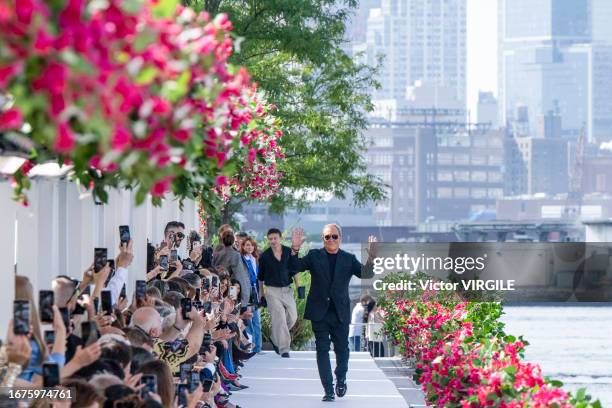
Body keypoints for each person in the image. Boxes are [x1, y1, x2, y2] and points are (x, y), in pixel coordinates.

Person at [289, 224, 377, 401]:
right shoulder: (314, 256)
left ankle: (341, 378)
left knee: (342, 349)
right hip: (319, 313)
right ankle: (328, 390)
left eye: (334, 236)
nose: (330, 240)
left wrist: (372, 256)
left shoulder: (348, 258)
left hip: (340, 313)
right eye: (327, 237)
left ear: (340, 238)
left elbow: (366, 273)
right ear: (323, 238)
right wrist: (295, 248)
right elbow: (293, 267)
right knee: (322, 350)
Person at [257, 228, 300, 358]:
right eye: (270, 239)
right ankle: (284, 349)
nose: (273, 241)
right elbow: (260, 278)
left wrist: (299, 286)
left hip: (287, 290)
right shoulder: (264, 256)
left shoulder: (288, 252)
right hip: (271, 290)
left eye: (275, 238)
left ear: (280, 238)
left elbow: (295, 270)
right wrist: (261, 294)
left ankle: (275, 337)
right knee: (280, 318)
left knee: (293, 317)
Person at [212, 230, 251, 305]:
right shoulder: (235, 254)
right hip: (227, 288)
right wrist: (244, 300)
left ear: (222, 240)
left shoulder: (216, 253)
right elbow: (240, 276)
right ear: (233, 240)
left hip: (215, 287)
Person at [240, 237, 263, 353]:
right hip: (247, 292)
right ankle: (250, 347)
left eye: (251, 245)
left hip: (256, 291)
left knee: (257, 322)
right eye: (247, 245)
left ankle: (258, 348)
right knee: (249, 321)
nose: (249, 247)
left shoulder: (256, 259)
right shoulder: (241, 260)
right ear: (243, 247)